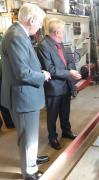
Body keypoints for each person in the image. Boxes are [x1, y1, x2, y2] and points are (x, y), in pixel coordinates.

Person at [1, 3, 51, 180]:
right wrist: (42, 76)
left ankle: (32, 159)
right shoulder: (16, 36)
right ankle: (29, 172)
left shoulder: (19, 33)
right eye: (39, 23)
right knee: (26, 138)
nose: (39, 28)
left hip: (25, 96)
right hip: (23, 97)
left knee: (30, 135)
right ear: (32, 20)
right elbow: (22, 72)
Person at [37, 19, 81, 150]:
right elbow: (50, 69)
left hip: (65, 84)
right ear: (56, 32)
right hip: (54, 87)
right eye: (62, 32)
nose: (63, 34)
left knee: (65, 111)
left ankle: (66, 131)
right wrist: (69, 73)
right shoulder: (43, 46)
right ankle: (52, 137)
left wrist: (73, 72)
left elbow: (67, 61)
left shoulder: (59, 43)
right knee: (52, 115)